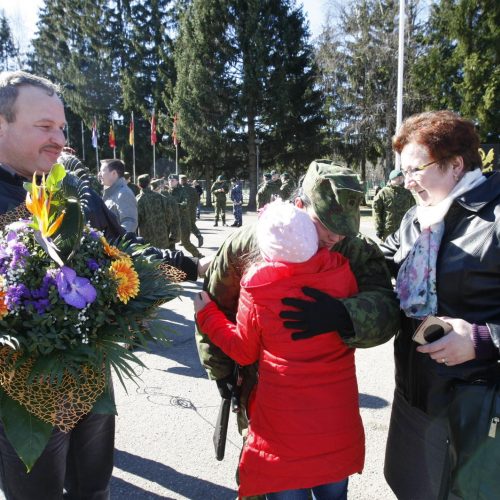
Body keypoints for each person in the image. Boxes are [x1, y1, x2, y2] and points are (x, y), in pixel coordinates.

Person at [0, 70, 203, 500]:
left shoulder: (67, 187)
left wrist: (179, 266)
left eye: (60, 127)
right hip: (24, 398)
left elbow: (118, 248)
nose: (58, 138)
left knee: (94, 490)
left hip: (90, 381)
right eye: (43, 126)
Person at [195, 160, 400, 497]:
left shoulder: (351, 247)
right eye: (325, 224)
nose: (335, 236)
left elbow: (387, 307)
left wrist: (344, 315)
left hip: (327, 405)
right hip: (263, 397)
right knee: (275, 481)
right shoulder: (251, 241)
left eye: (344, 226)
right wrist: (222, 375)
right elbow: (215, 303)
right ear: (300, 204)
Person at [377, 111, 500, 499]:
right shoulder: (418, 218)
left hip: (475, 411)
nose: (406, 181)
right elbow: (389, 258)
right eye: (403, 171)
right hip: (415, 398)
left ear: (455, 165)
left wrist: (482, 339)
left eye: (416, 169)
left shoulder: (495, 220)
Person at [372, 169, 415, 240]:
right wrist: (378, 229)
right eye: (398, 177)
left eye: (401, 177)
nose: (400, 179)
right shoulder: (383, 192)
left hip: (404, 230)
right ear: (392, 179)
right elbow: (376, 211)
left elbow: (413, 210)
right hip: (388, 231)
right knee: (388, 250)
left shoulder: (407, 193)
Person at [136, 174, 177, 248]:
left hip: (146, 239)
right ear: (149, 183)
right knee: (164, 258)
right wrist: (163, 225)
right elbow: (170, 215)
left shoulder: (138, 200)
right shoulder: (161, 197)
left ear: (138, 185)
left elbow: (136, 221)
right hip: (162, 237)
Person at [168, 174, 203, 258]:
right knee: (170, 242)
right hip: (171, 221)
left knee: (185, 242)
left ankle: (198, 255)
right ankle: (172, 260)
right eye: (169, 180)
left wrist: (173, 205)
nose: (170, 182)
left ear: (177, 181)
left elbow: (185, 204)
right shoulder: (168, 191)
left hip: (183, 221)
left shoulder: (182, 191)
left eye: (172, 180)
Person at [99, 158, 138, 234]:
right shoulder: (112, 192)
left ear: (114, 173)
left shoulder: (123, 193)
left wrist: (118, 242)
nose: (99, 174)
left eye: (102, 171)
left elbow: (129, 222)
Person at [180, 174, 203, 248]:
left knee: (184, 226)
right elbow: (197, 199)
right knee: (192, 225)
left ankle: (185, 240)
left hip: (184, 211)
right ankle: (198, 236)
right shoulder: (193, 189)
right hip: (192, 210)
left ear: (181, 181)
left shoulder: (181, 189)